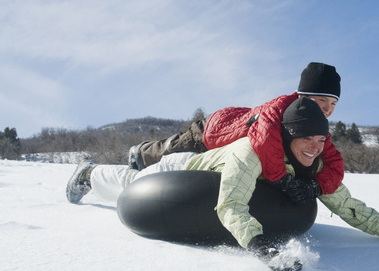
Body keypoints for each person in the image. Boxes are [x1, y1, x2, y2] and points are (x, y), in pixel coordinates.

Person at [66, 98, 379, 271]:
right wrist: (260, 245)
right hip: (183, 171)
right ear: (288, 136)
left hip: (213, 179)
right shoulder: (251, 153)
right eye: (306, 139)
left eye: (321, 141)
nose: (314, 147)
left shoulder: (311, 162)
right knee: (132, 183)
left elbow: (344, 201)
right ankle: (89, 173)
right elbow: (230, 205)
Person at [127, 62, 345, 204]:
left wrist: (317, 186)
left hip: (225, 148)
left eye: (333, 103)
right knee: (167, 151)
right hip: (212, 133)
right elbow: (265, 142)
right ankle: (140, 152)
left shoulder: (315, 128)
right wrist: (281, 180)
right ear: (302, 97)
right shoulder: (279, 110)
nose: (328, 108)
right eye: (322, 100)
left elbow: (335, 164)